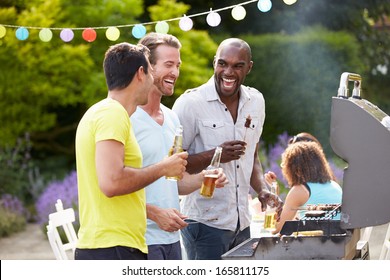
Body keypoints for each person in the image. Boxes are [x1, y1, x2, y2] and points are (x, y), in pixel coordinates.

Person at [74, 42, 188, 260]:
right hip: (112, 247)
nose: (153, 80)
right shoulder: (112, 114)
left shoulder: (104, 112)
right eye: (151, 72)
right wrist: (164, 167)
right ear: (140, 74)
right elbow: (112, 182)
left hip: (114, 245)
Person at [172, 38, 283, 260]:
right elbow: (172, 165)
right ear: (214, 63)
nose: (228, 72)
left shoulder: (256, 101)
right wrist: (216, 154)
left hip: (242, 222)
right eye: (222, 64)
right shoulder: (191, 103)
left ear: (249, 67)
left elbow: (251, 155)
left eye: (237, 66)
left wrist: (262, 189)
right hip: (204, 224)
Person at [130, 33, 228, 260]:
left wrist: (204, 177)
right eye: (168, 65)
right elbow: (115, 185)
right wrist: (154, 214)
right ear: (146, 67)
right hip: (139, 241)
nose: (175, 72)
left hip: (172, 241)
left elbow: (177, 184)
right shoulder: (127, 118)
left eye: (178, 65)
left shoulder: (173, 119)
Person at [266, 141, 342, 234]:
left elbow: (277, 229)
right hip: (338, 242)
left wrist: (273, 189)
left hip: (315, 245)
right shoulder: (334, 185)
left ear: (295, 169)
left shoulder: (300, 190)